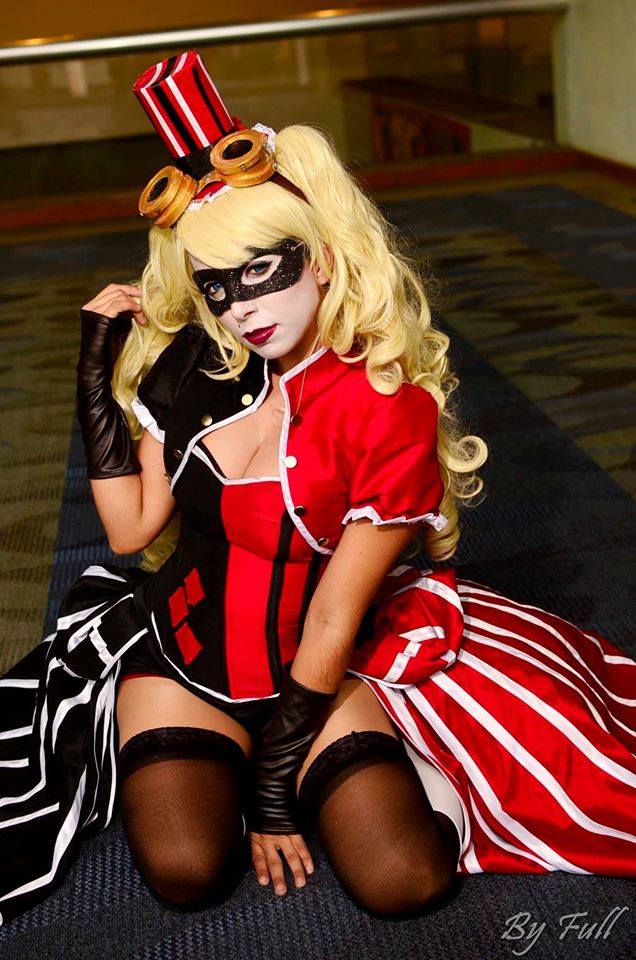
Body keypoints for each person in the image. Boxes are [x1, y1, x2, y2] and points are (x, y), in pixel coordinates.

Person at [0, 50, 634, 928]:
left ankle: (363, 770)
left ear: (325, 260)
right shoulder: (195, 368)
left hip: (327, 666)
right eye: (218, 285)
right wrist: (94, 380)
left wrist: (271, 787)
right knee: (185, 869)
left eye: (264, 270)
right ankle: (231, 760)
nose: (242, 306)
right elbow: (130, 530)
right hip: (183, 657)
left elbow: (332, 619)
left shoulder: (386, 407)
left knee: (403, 879)